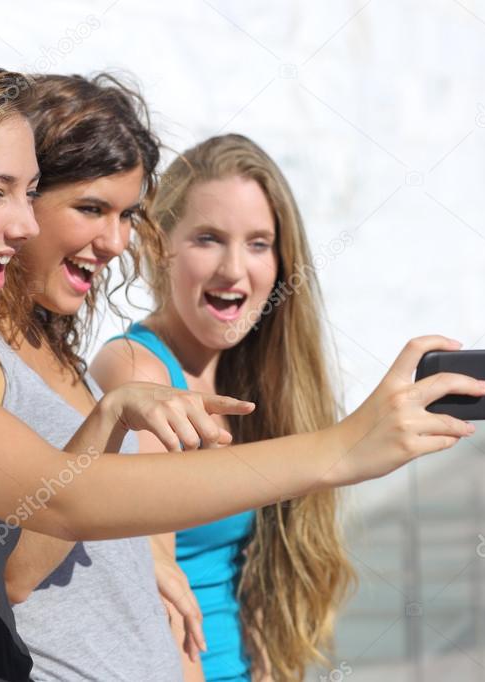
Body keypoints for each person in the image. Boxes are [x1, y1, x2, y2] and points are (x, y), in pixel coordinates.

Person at [0, 58, 485, 681]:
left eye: (27, 190)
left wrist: (106, 429)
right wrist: (342, 448)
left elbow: (27, 534)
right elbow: (61, 502)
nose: (23, 222)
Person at [0, 72, 206, 680]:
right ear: (24, 199)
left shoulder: (63, 354)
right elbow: (10, 571)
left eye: (127, 216)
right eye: (92, 209)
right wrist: (109, 419)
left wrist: (139, 551)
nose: (116, 240)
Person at [92, 133, 354, 681]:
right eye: (209, 239)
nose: (235, 270)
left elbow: (260, 582)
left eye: (259, 244)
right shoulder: (141, 371)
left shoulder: (257, 373)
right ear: (159, 246)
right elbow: (157, 591)